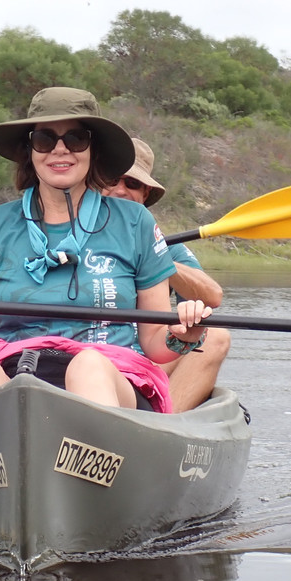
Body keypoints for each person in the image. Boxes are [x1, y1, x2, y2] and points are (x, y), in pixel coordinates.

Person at [0, 87, 209, 412]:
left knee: (87, 365)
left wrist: (184, 335)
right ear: (29, 150)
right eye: (45, 140)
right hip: (15, 373)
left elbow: (155, 345)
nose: (60, 151)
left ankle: (93, 456)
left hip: (111, 375)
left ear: (94, 149)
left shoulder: (136, 222)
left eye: (75, 139)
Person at [105, 138, 231, 412]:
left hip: (147, 356)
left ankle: (161, 429)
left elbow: (213, 297)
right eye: (111, 179)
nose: (120, 190)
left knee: (216, 337)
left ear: (145, 195)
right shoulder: (67, 228)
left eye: (132, 184)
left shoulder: (159, 242)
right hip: (87, 351)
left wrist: (153, 254)